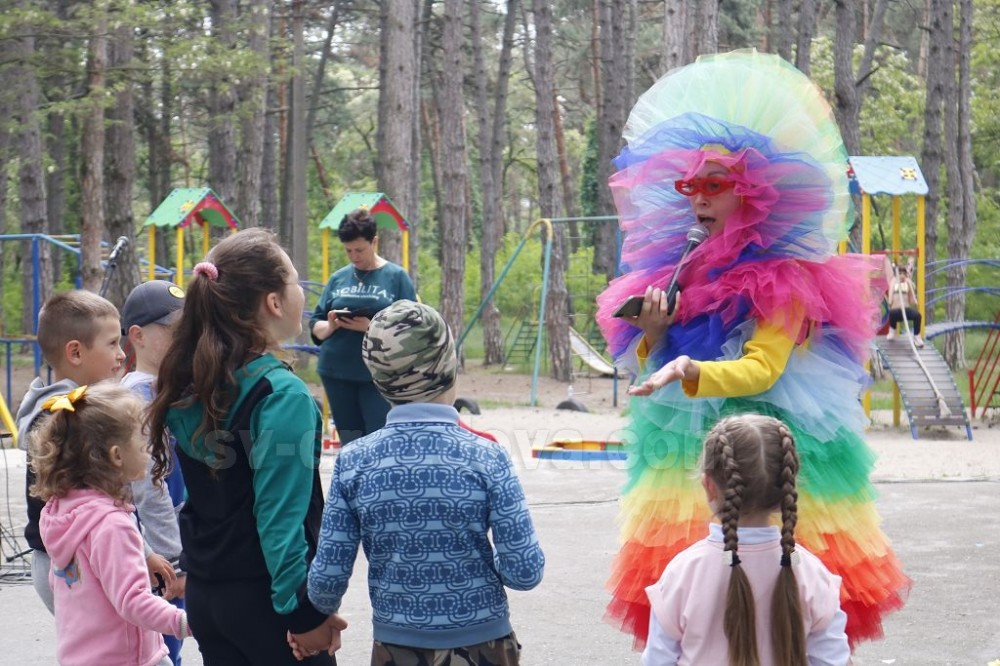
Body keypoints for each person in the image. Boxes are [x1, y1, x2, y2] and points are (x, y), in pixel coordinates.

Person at [595, 50, 909, 650]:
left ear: (752, 194)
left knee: (778, 578)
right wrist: (657, 339)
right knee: (698, 576)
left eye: (714, 186)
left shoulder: (784, 279)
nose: (697, 198)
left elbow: (763, 368)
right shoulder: (681, 267)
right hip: (691, 449)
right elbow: (646, 361)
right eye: (689, 185)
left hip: (765, 446)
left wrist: (688, 368)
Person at [304, 300, 545, 665]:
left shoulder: (354, 462)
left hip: (396, 647)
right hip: (486, 645)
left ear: (376, 375)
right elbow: (525, 571)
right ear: (449, 365)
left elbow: (325, 586)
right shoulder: (487, 456)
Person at [148, 229, 347, 665]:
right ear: (274, 302)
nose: (301, 290)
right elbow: (279, 522)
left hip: (208, 597)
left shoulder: (192, 382)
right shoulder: (282, 397)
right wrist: (303, 613)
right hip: (266, 606)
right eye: (294, 280)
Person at [641, 414, 850, 666]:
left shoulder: (683, 572)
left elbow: (657, 661)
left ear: (709, 486)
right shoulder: (811, 573)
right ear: (788, 485)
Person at [14, 290, 172, 613]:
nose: (120, 354)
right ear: (76, 352)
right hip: (78, 559)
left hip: (56, 556)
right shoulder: (76, 415)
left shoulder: (49, 406)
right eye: (112, 343)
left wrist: (143, 551)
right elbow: (99, 500)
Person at [30, 382, 191, 666]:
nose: (148, 451)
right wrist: (187, 622)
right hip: (125, 658)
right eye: (143, 444)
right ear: (117, 456)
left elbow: (64, 584)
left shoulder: (60, 512)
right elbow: (133, 602)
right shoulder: (112, 525)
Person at [121, 279, 189, 664]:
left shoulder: (167, 391)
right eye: (174, 331)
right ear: (137, 336)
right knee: (161, 652)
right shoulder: (137, 399)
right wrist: (173, 563)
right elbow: (149, 488)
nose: (185, 339)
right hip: (157, 559)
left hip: (170, 550)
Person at [309, 208, 417, 445]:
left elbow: (411, 328)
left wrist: (372, 327)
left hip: (379, 374)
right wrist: (329, 327)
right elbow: (315, 321)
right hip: (336, 371)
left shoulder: (396, 277)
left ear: (374, 241)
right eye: (348, 250)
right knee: (350, 443)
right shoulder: (338, 278)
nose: (354, 256)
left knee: (378, 440)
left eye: (359, 249)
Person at [886, 262, 923, 347]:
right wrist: (890, 301)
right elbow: (890, 300)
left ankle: (917, 336)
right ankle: (892, 330)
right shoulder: (893, 282)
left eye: (904, 273)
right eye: (900, 273)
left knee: (917, 316)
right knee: (892, 313)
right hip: (896, 310)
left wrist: (914, 296)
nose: (902, 275)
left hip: (906, 310)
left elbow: (910, 300)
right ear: (896, 274)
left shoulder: (907, 283)